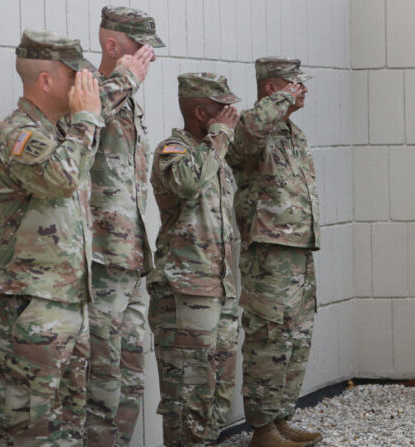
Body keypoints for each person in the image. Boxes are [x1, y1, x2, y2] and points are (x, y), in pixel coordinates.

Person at [0, 30, 147, 445]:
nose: (82, 86)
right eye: (74, 77)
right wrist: (89, 116)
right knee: (32, 433)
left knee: (70, 430)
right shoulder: (17, 137)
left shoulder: (60, 134)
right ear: (46, 81)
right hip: (31, 311)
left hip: (68, 306)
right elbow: (60, 178)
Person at [227, 57, 323, 447]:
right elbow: (243, 140)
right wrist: (280, 102)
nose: (303, 89)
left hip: (298, 250)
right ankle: (263, 428)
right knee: (269, 339)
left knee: (297, 339)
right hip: (269, 254)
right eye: (294, 84)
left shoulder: (291, 132)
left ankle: (282, 417)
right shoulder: (253, 127)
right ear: (272, 89)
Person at [147, 72, 241, 447]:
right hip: (184, 296)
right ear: (201, 112)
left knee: (217, 395)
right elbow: (187, 183)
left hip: (220, 291)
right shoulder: (173, 150)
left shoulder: (216, 156)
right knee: (187, 398)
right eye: (222, 107)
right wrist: (220, 137)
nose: (231, 113)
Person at [86, 6, 162, 446]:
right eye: (140, 49)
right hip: (101, 257)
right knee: (103, 373)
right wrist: (126, 79)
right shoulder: (88, 87)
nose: (147, 59)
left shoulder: (125, 96)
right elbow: (83, 121)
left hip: (131, 257)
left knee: (132, 371)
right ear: (112, 46)